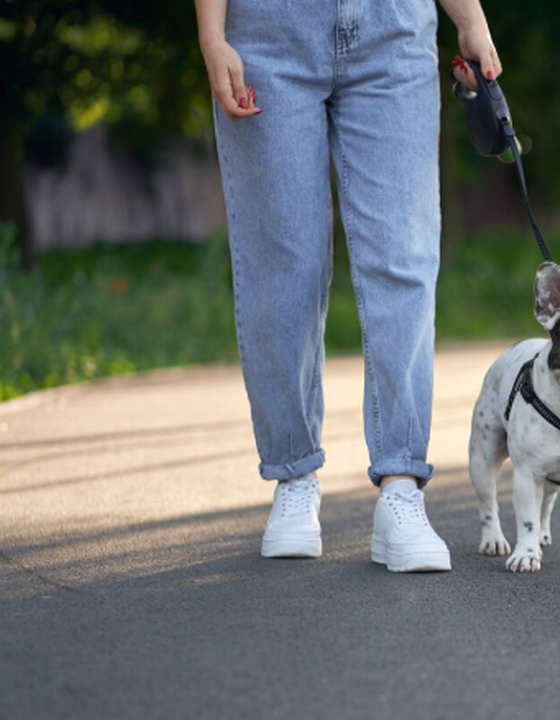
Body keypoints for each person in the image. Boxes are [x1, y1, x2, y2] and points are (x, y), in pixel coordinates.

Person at [193, 0, 501, 572]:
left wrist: (469, 17)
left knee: (403, 257)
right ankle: (293, 477)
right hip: (268, 32)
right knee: (283, 261)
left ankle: (402, 486)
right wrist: (212, 35)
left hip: (394, 30)